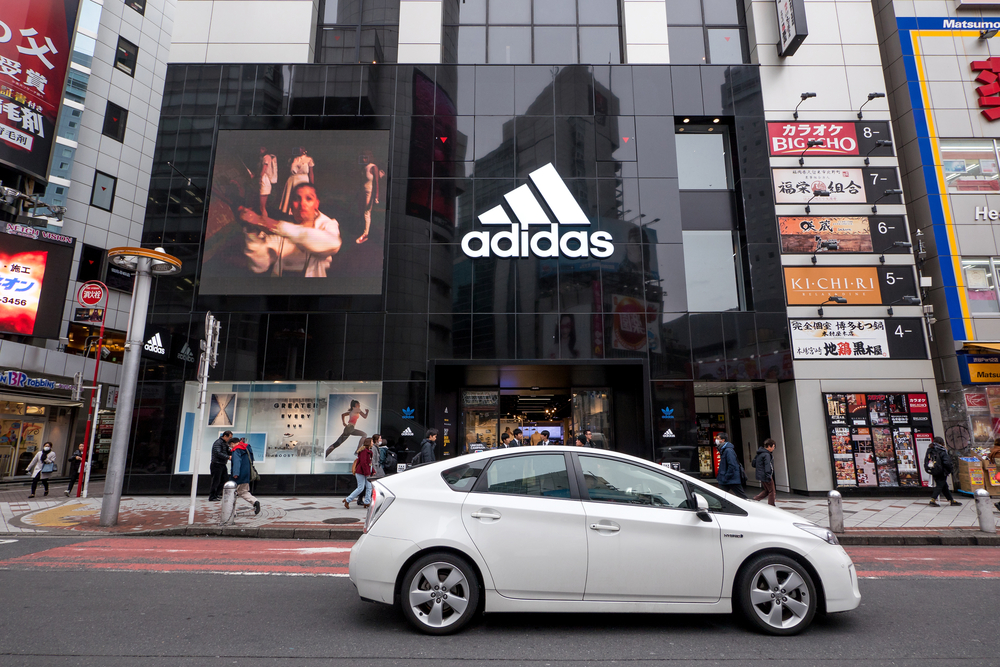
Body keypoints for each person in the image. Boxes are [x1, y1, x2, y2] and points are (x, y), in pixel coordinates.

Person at [241, 182, 343, 278]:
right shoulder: (281, 231)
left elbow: (333, 244)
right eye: (297, 199)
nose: (302, 203)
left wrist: (271, 224)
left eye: (309, 198)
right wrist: (251, 231)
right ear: (291, 205)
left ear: (316, 204)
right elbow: (259, 266)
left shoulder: (327, 225)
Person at [356, 150, 385, 244]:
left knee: (367, 212)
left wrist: (376, 195)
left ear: (369, 157)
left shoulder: (373, 167)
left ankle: (366, 234)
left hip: (370, 193)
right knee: (362, 210)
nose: (364, 159)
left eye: (366, 157)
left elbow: (376, 182)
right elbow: (362, 182)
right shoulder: (363, 168)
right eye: (363, 157)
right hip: (363, 192)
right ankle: (363, 228)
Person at [925, 436, 960, 507]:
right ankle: (932, 500)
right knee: (940, 485)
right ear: (941, 442)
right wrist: (950, 469)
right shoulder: (941, 450)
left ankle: (951, 500)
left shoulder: (930, 450)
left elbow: (926, 460)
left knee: (944, 486)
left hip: (933, 469)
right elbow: (946, 462)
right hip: (942, 471)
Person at [279, 147, 315, 213]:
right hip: (292, 179)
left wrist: (312, 185)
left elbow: (311, 173)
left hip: (303, 180)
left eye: (301, 148)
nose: (299, 150)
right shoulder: (293, 159)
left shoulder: (308, 159)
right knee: (291, 198)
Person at [230, 438, 261, 515]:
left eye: (230, 445)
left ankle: (231, 511)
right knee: (243, 491)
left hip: (239, 474)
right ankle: (255, 501)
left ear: (233, 443)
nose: (231, 447)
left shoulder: (236, 450)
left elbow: (237, 462)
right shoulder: (247, 448)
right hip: (247, 473)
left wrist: (235, 473)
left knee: (231, 492)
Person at [715, 433, 748, 499]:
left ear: (723, 440)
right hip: (728, 479)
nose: (716, 440)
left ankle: (750, 507)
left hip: (731, 479)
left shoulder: (728, 450)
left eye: (718, 438)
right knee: (719, 495)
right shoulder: (724, 450)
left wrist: (727, 476)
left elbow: (732, 465)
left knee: (741, 496)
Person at [344, 438, 374, 509]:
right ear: (368, 443)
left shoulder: (368, 451)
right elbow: (364, 463)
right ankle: (347, 500)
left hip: (366, 472)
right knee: (361, 487)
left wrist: (372, 470)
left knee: (369, 487)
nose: (373, 443)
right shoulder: (364, 451)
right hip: (361, 472)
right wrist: (367, 472)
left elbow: (369, 463)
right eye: (372, 441)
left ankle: (367, 502)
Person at [249, 146, 277, 217]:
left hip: (265, 182)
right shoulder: (265, 158)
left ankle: (265, 223)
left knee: (262, 208)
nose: (260, 150)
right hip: (265, 182)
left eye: (262, 149)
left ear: (266, 150)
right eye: (260, 148)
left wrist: (255, 176)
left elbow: (263, 170)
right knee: (262, 207)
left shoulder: (266, 157)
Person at [209, 430, 233, 501]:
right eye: (230, 437)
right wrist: (228, 457)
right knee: (216, 481)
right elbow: (218, 453)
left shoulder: (224, 443)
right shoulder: (218, 442)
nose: (230, 439)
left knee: (224, 480)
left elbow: (227, 451)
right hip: (216, 464)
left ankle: (217, 494)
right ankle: (212, 496)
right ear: (225, 436)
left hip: (222, 464)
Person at [752, 438, 777, 506]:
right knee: (772, 491)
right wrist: (768, 475)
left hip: (760, 474)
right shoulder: (767, 454)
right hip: (766, 475)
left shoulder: (759, 453)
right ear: (769, 446)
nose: (773, 448)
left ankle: (755, 499)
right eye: (773, 446)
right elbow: (767, 465)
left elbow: (753, 464)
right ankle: (771, 505)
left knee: (767, 490)